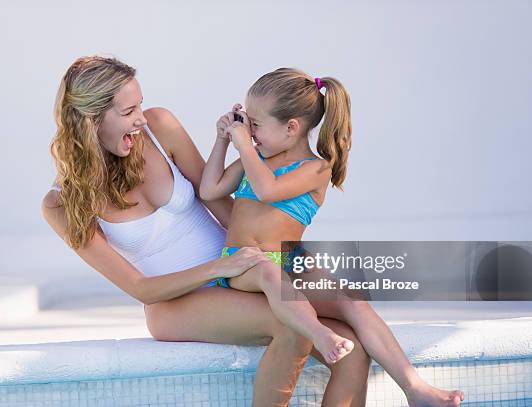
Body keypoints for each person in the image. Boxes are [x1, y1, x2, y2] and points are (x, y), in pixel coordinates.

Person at [42, 55, 371, 407]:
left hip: (244, 271)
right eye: (127, 112)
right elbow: (141, 288)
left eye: (139, 104)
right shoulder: (62, 204)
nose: (140, 118)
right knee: (294, 326)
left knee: (352, 344)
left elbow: (226, 208)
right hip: (175, 303)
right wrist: (220, 268)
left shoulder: (159, 127)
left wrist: (285, 258)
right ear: (90, 121)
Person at [200, 67, 465, 406]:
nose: (247, 131)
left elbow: (268, 190)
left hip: (289, 260)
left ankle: (415, 388)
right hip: (244, 261)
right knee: (268, 271)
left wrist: (243, 148)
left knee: (353, 302)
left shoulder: (316, 168)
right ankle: (319, 334)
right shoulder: (253, 159)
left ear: (291, 127)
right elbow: (209, 190)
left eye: (254, 124)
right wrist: (224, 141)